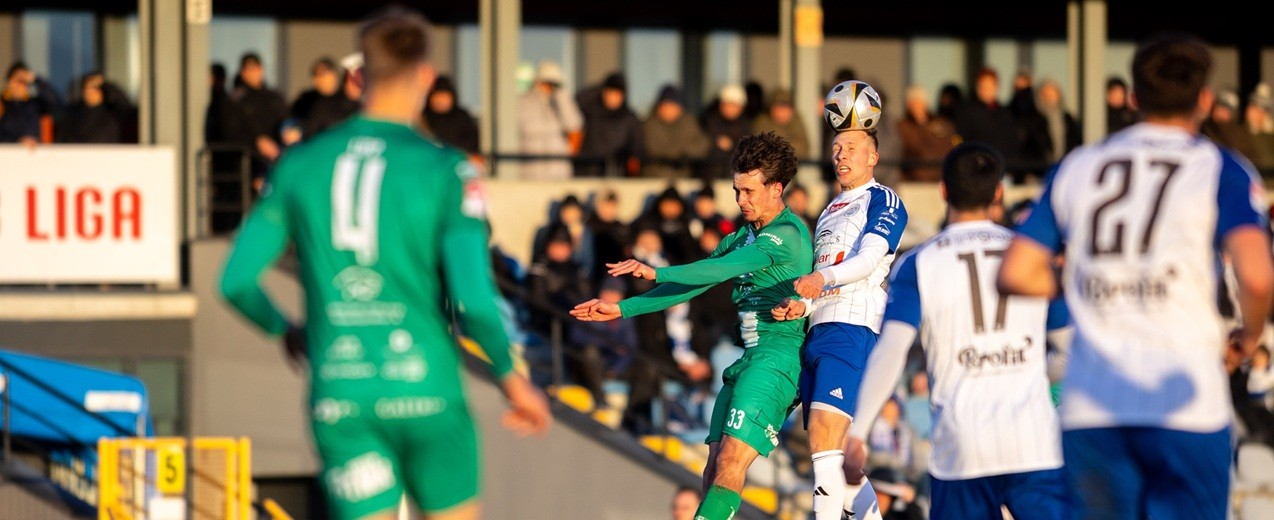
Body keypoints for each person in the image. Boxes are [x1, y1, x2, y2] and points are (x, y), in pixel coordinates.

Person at [218, 8, 551, 520]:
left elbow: (236, 280)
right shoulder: (446, 168)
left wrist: (285, 331)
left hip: (342, 394)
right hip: (429, 390)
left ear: (357, 78)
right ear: (425, 75)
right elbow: (474, 301)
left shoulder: (300, 165)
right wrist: (511, 380)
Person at [999, 32, 1274, 520]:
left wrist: (1084, 281)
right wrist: (1248, 339)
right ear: (1205, 101)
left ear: (1131, 97)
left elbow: (1017, 271)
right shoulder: (1221, 167)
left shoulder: (1078, 165)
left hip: (1093, 405)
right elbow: (1256, 276)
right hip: (1186, 401)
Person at [572, 132, 813, 520]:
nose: (740, 200)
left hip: (778, 357)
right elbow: (697, 281)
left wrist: (656, 269)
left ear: (776, 189)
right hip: (748, 359)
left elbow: (721, 268)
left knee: (732, 458)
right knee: (713, 467)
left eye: (749, 191)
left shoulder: (786, 235)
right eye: (736, 191)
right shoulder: (742, 236)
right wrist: (622, 309)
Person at [850, 142, 1070, 519]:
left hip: (962, 448)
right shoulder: (1031, 258)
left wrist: (858, 432)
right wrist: (1031, 370)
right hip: (1033, 443)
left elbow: (892, 351)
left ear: (943, 191)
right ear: (999, 193)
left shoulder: (919, 263)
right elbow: (1070, 351)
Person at [771, 84, 909, 520]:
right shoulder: (829, 210)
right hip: (820, 328)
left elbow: (869, 260)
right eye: (836, 147)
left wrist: (819, 278)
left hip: (853, 327)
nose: (841, 154)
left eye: (851, 146)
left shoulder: (883, 198)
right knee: (831, 454)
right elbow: (824, 282)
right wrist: (804, 306)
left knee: (825, 441)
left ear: (873, 156)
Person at [517, 60, 583, 180]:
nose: (547, 87)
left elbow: (575, 128)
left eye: (553, 84)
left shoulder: (563, 101)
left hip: (557, 169)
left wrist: (561, 98)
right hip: (531, 169)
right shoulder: (524, 102)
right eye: (545, 82)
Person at [230, 52, 288, 188]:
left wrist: (289, 132)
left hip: (277, 160)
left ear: (262, 69)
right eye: (248, 69)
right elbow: (231, 132)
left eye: (255, 68)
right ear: (242, 73)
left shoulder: (274, 97)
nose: (252, 73)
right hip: (249, 165)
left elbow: (286, 122)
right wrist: (256, 142)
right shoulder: (235, 100)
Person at [575, 72, 644, 177]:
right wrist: (598, 87)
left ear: (623, 96)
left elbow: (636, 149)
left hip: (615, 175)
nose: (612, 98)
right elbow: (577, 100)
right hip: (586, 172)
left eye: (616, 94)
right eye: (609, 92)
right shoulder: (591, 111)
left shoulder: (629, 118)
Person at [642, 84, 710, 179]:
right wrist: (679, 152)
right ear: (659, 106)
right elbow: (652, 149)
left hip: (684, 177)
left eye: (673, 105)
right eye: (666, 105)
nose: (669, 109)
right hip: (655, 176)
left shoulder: (689, 123)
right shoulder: (650, 124)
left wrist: (684, 153)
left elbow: (703, 146)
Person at [287, 57, 359, 145]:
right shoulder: (306, 99)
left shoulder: (348, 99)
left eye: (324, 74)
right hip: (311, 148)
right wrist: (295, 130)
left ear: (334, 75)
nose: (321, 79)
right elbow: (293, 121)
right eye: (316, 75)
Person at [896, 84, 956, 182]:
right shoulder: (902, 127)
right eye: (914, 101)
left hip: (940, 179)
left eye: (920, 101)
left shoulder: (941, 125)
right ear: (908, 104)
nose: (917, 105)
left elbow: (948, 149)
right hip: (913, 182)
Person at [57, 71, 130, 144]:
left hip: (105, 153)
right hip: (77, 153)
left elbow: (125, 104)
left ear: (101, 91)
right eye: (87, 88)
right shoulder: (74, 112)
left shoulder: (111, 111)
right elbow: (62, 136)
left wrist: (104, 84)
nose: (89, 92)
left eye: (94, 88)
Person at [699, 84, 753, 180]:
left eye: (733, 105)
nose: (729, 108)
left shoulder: (747, 127)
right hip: (711, 177)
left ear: (741, 107)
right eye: (727, 104)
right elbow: (701, 149)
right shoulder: (709, 123)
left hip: (737, 178)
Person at [422, 75, 479, 155]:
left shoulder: (462, 117)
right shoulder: (422, 118)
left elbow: (472, 144)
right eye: (438, 96)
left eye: (445, 96)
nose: (441, 101)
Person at [753, 88, 810, 159]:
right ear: (772, 108)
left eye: (786, 108)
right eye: (779, 107)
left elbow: (804, 149)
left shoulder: (796, 121)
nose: (783, 112)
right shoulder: (763, 122)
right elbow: (763, 149)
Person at [0, 62, 42, 147]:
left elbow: (55, 103)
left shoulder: (33, 104)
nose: (20, 86)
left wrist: (36, 80)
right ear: (9, 82)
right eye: (18, 81)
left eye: (24, 82)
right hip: (7, 154)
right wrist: (18, 141)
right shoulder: (2, 104)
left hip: (33, 154)